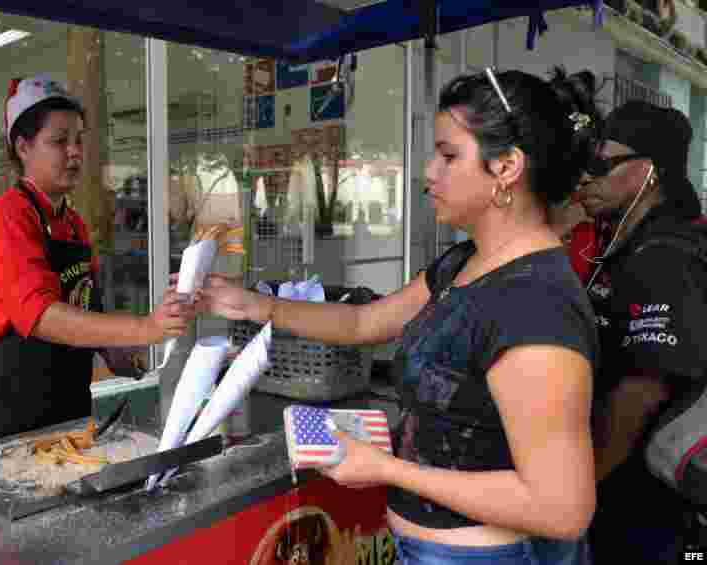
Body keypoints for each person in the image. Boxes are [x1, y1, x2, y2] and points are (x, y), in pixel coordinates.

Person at [195, 67, 603, 565]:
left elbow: (561, 508)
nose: (429, 172)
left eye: (449, 155)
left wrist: (388, 469)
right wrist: (258, 306)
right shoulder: (464, 263)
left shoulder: (536, 305)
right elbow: (365, 324)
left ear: (506, 168)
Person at [0, 74, 191, 442]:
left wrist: (111, 350)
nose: (75, 152)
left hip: (67, 387)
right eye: (59, 141)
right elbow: (40, 315)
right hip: (13, 396)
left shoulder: (72, 222)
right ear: (23, 147)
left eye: (79, 140)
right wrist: (146, 327)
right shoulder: (6, 219)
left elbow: (83, 298)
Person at [567, 100, 707, 564]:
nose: (587, 177)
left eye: (602, 164)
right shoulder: (625, 244)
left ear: (648, 170)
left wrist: (581, 488)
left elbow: (642, 391)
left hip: (646, 501)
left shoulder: (662, 256)